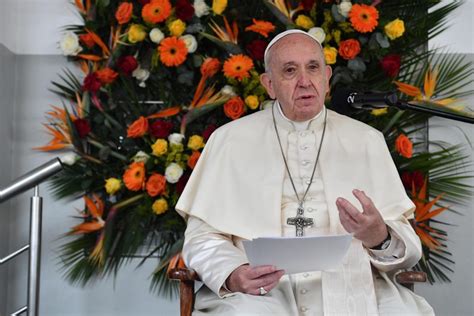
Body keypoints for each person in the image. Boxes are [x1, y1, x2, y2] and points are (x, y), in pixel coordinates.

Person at [176, 29, 434, 315]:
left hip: (353, 281)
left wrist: (379, 236)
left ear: (327, 77)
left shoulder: (366, 140)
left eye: (313, 68)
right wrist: (234, 272)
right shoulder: (229, 140)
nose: (304, 81)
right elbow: (201, 238)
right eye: (289, 70)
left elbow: (405, 250)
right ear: (269, 85)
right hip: (263, 289)